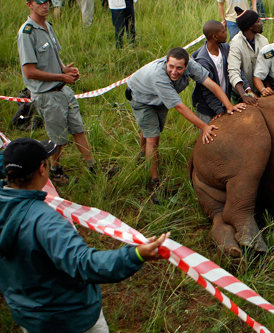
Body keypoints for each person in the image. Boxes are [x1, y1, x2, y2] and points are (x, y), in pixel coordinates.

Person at [0, 137, 169, 333]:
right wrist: (137, 254)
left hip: (29, 317)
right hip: (72, 319)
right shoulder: (47, 222)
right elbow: (85, 264)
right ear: (42, 169)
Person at [126, 47, 244, 197]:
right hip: (141, 97)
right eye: (171, 66)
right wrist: (204, 127)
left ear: (187, 65)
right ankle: (155, 182)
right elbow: (180, 107)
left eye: (179, 68)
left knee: (152, 129)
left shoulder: (192, 65)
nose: (174, 71)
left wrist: (229, 106)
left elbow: (211, 84)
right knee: (153, 138)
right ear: (166, 62)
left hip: (159, 99)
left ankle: (142, 154)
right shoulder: (159, 76)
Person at [17, 0, 98, 182]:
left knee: (78, 128)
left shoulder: (48, 26)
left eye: (47, 1)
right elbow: (29, 71)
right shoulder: (27, 33)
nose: (45, 6)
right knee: (58, 137)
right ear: (29, 5)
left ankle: (93, 167)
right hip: (46, 94)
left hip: (63, 90)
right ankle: (55, 170)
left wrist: (65, 69)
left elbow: (54, 56)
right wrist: (61, 77)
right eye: (40, 3)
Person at [192, 21, 257, 124]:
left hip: (224, 101)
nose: (226, 33)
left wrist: (247, 89)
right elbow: (207, 91)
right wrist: (220, 110)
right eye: (223, 32)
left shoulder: (225, 48)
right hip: (207, 107)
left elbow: (236, 69)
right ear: (215, 37)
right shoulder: (203, 61)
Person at [228, 8, 269, 95]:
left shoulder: (263, 40)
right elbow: (234, 71)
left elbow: (269, 66)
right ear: (250, 26)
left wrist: (267, 87)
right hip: (241, 93)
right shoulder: (235, 44)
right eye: (258, 21)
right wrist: (245, 94)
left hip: (261, 89)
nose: (261, 24)